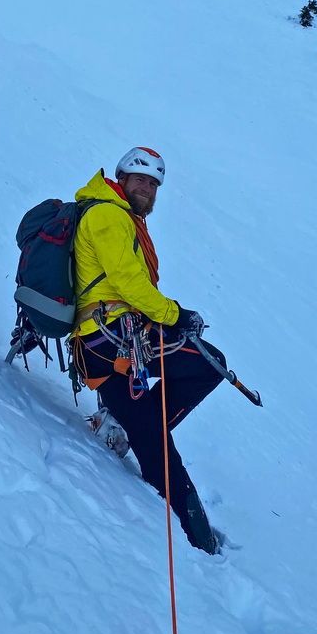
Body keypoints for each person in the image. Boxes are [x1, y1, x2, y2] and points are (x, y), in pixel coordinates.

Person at [70, 147, 225, 554]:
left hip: (108, 340)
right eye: (139, 180)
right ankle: (199, 541)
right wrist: (177, 315)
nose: (147, 188)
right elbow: (128, 284)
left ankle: (121, 425)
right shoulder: (108, 215)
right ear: (121, 179)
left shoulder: (119, 216)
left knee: (147, 425)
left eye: (153, 184)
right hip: (111, 338)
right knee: (209, 365)